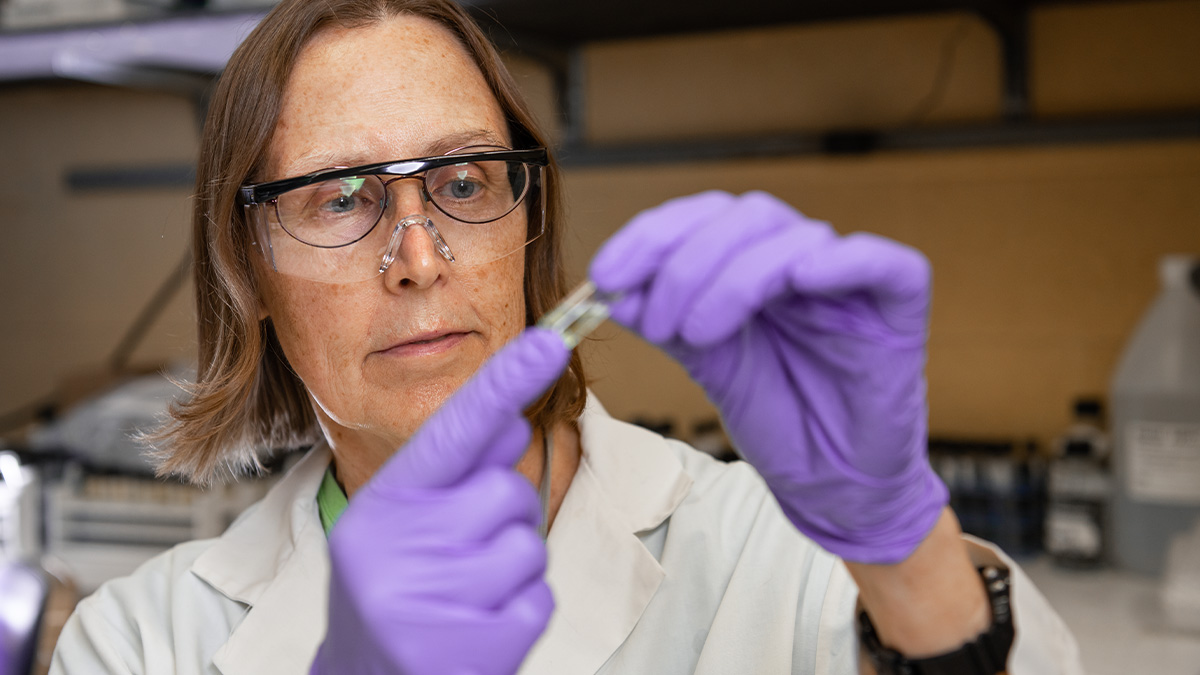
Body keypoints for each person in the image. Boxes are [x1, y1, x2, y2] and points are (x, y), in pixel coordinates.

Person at [50, 0, 1085, 673]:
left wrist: (901, 546)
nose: (419, 257)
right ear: (248, 272)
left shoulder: (779, 559)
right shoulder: (143, 642)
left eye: (462, 183)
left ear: (527, 224)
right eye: (338, 199)